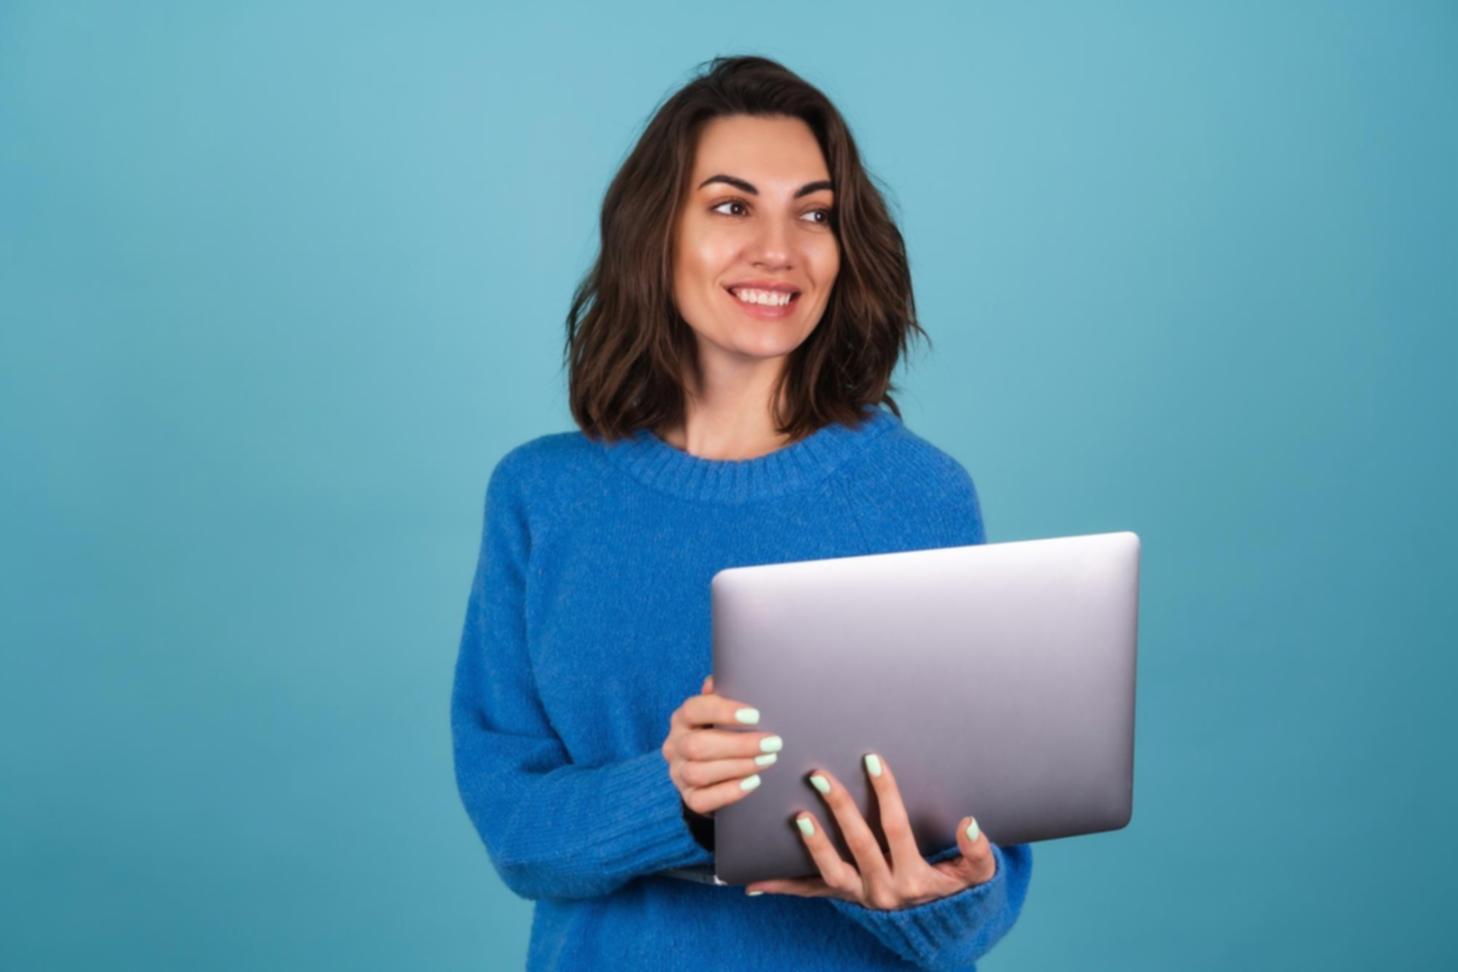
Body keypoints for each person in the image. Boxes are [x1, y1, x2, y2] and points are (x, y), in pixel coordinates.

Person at [450, 54, 1032, 970]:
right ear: (657, 235)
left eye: (814, 213)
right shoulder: (542, 497)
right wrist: (674, 797)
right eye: (731, 206)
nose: (779, 248)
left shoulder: (923, 496)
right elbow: (514, 826)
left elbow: (986, 872)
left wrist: (926, 899)